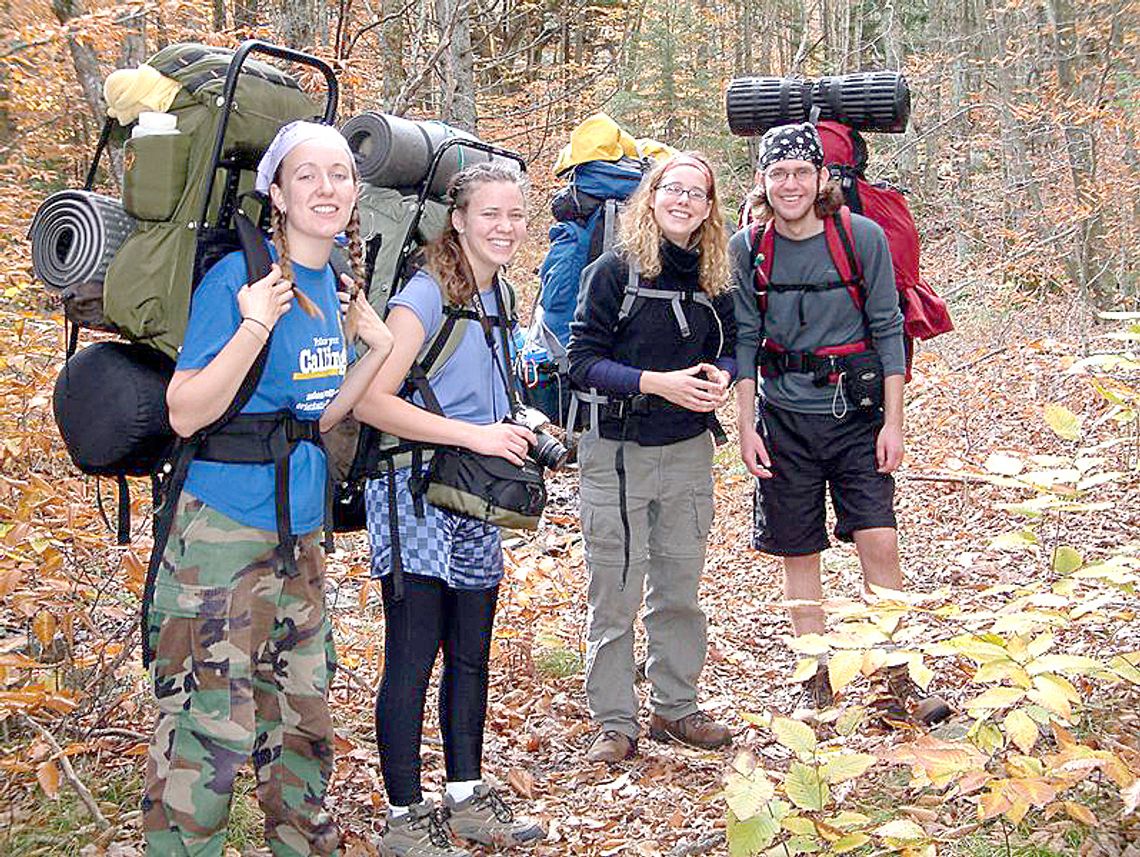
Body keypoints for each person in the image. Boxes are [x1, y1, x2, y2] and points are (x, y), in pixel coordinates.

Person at [143, 121, 393, 855]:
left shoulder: (335, 284)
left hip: (299, 537)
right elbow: (184, 410)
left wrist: (377, 346)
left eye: (340, 174)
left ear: (356, 191)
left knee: (302, 720)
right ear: (277, 194)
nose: (327, 188)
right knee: (208, 729)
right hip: (219, 536)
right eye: (307, 175)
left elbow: (317, 416)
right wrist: (253, 326)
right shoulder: (240, 279)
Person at [353, 162, 546, 857]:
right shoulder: (424, 294)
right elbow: (371, 401)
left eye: (515, 215)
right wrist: (475, 435)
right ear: (458, 219)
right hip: (410, 490)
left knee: (471, 652)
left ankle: (465, 796)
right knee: (413, 652)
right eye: (490, 214)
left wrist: (522, 426)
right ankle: (404, 816)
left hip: (470, 492)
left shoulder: (501, 294)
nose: (505, 227)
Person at [568, 151, 737, 764]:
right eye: (673, 188)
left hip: (688, 449)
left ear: (710, 207)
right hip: (617, 450)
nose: (684, 201)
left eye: (697, 193)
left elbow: (737, 345)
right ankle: (615, 722)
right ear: (652, 195)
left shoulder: (715, 276)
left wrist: (722, 375)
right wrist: (656, 383)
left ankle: (676, 707)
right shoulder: (614, 271)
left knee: (679, 588)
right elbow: (580, 361)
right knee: (615, 591)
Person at [731, 122, 907, 706]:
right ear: (762, 179)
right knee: (798, 549)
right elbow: (746, 342)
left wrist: (893, 423)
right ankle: (815, 675)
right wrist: (746, 428)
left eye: (802, 172)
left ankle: (893, 672)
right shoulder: (748, 249)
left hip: (857, 416)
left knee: (878, 540)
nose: (791, 184)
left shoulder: (861, 237)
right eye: (778, 173)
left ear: (822, 177)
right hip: (784, 420)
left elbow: (888, 330)